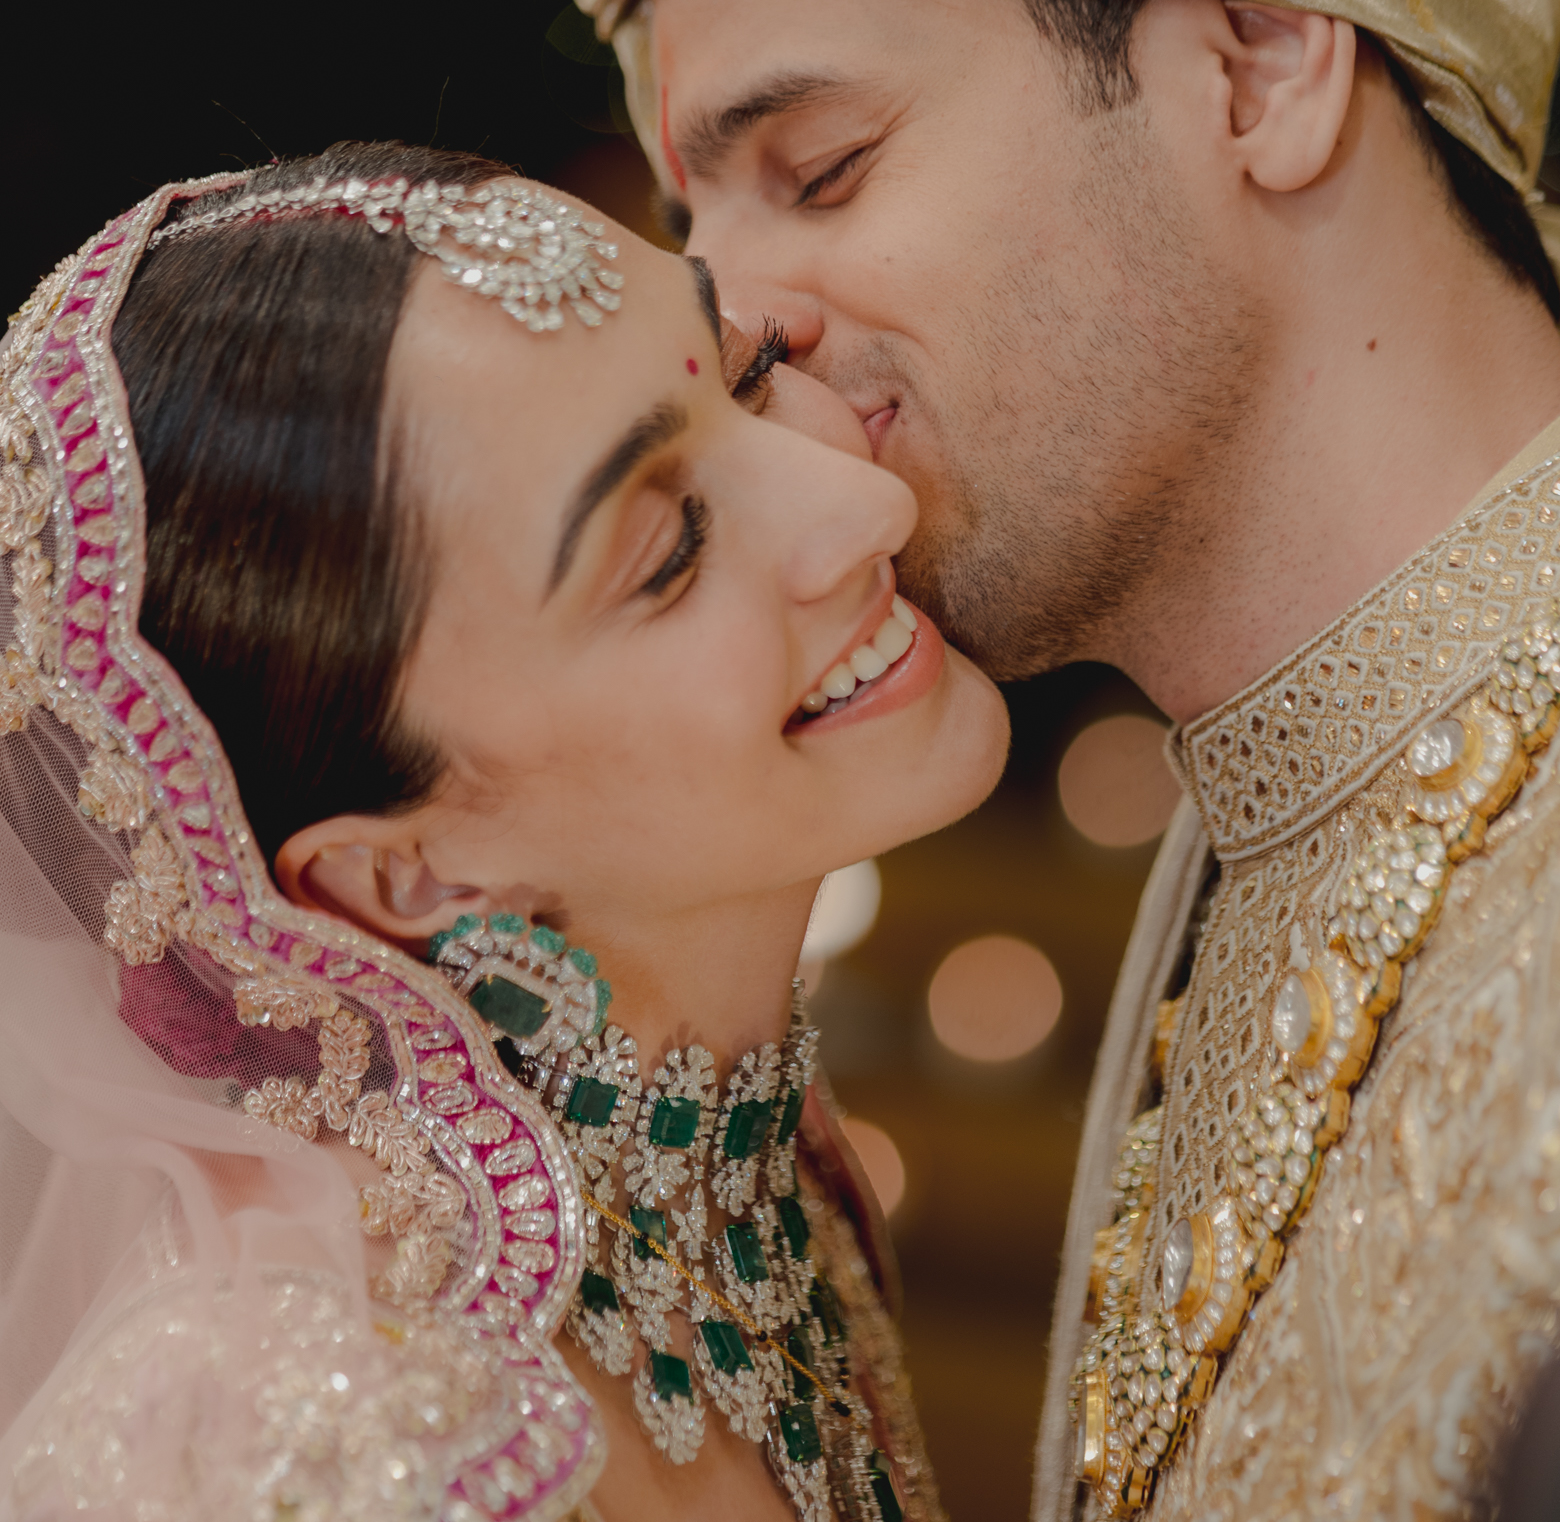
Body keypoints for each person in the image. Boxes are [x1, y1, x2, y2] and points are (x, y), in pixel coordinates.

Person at [535, 0, 1560, 1522]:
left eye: (824, 164)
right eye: (702, 229)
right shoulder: (1261, 828)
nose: (733, 327)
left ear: (1259, 67)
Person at [0, 143, 1010, 1521]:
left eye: (751, 369)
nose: (867, 500)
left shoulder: (752, 1189)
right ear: (399, 873)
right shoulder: (297, 1452)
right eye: (666, 553)